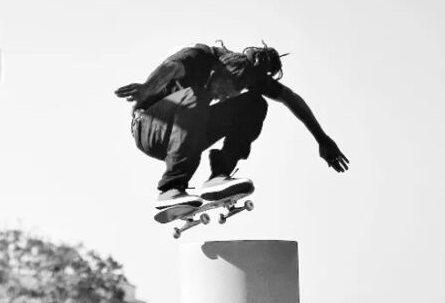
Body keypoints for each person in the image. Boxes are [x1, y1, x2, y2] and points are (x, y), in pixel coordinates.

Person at [115, 42, 349, 210]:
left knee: (254, 105)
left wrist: (322, 138)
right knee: (195, 96)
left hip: (186, 134)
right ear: (224, 71)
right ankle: (171, 188)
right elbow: (171, 68)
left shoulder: (247, 75)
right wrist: (147, 87)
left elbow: (289, 97)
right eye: (226, 89)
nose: (225, 96)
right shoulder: (201, 57)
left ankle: (219, 177)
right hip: (149, 126)